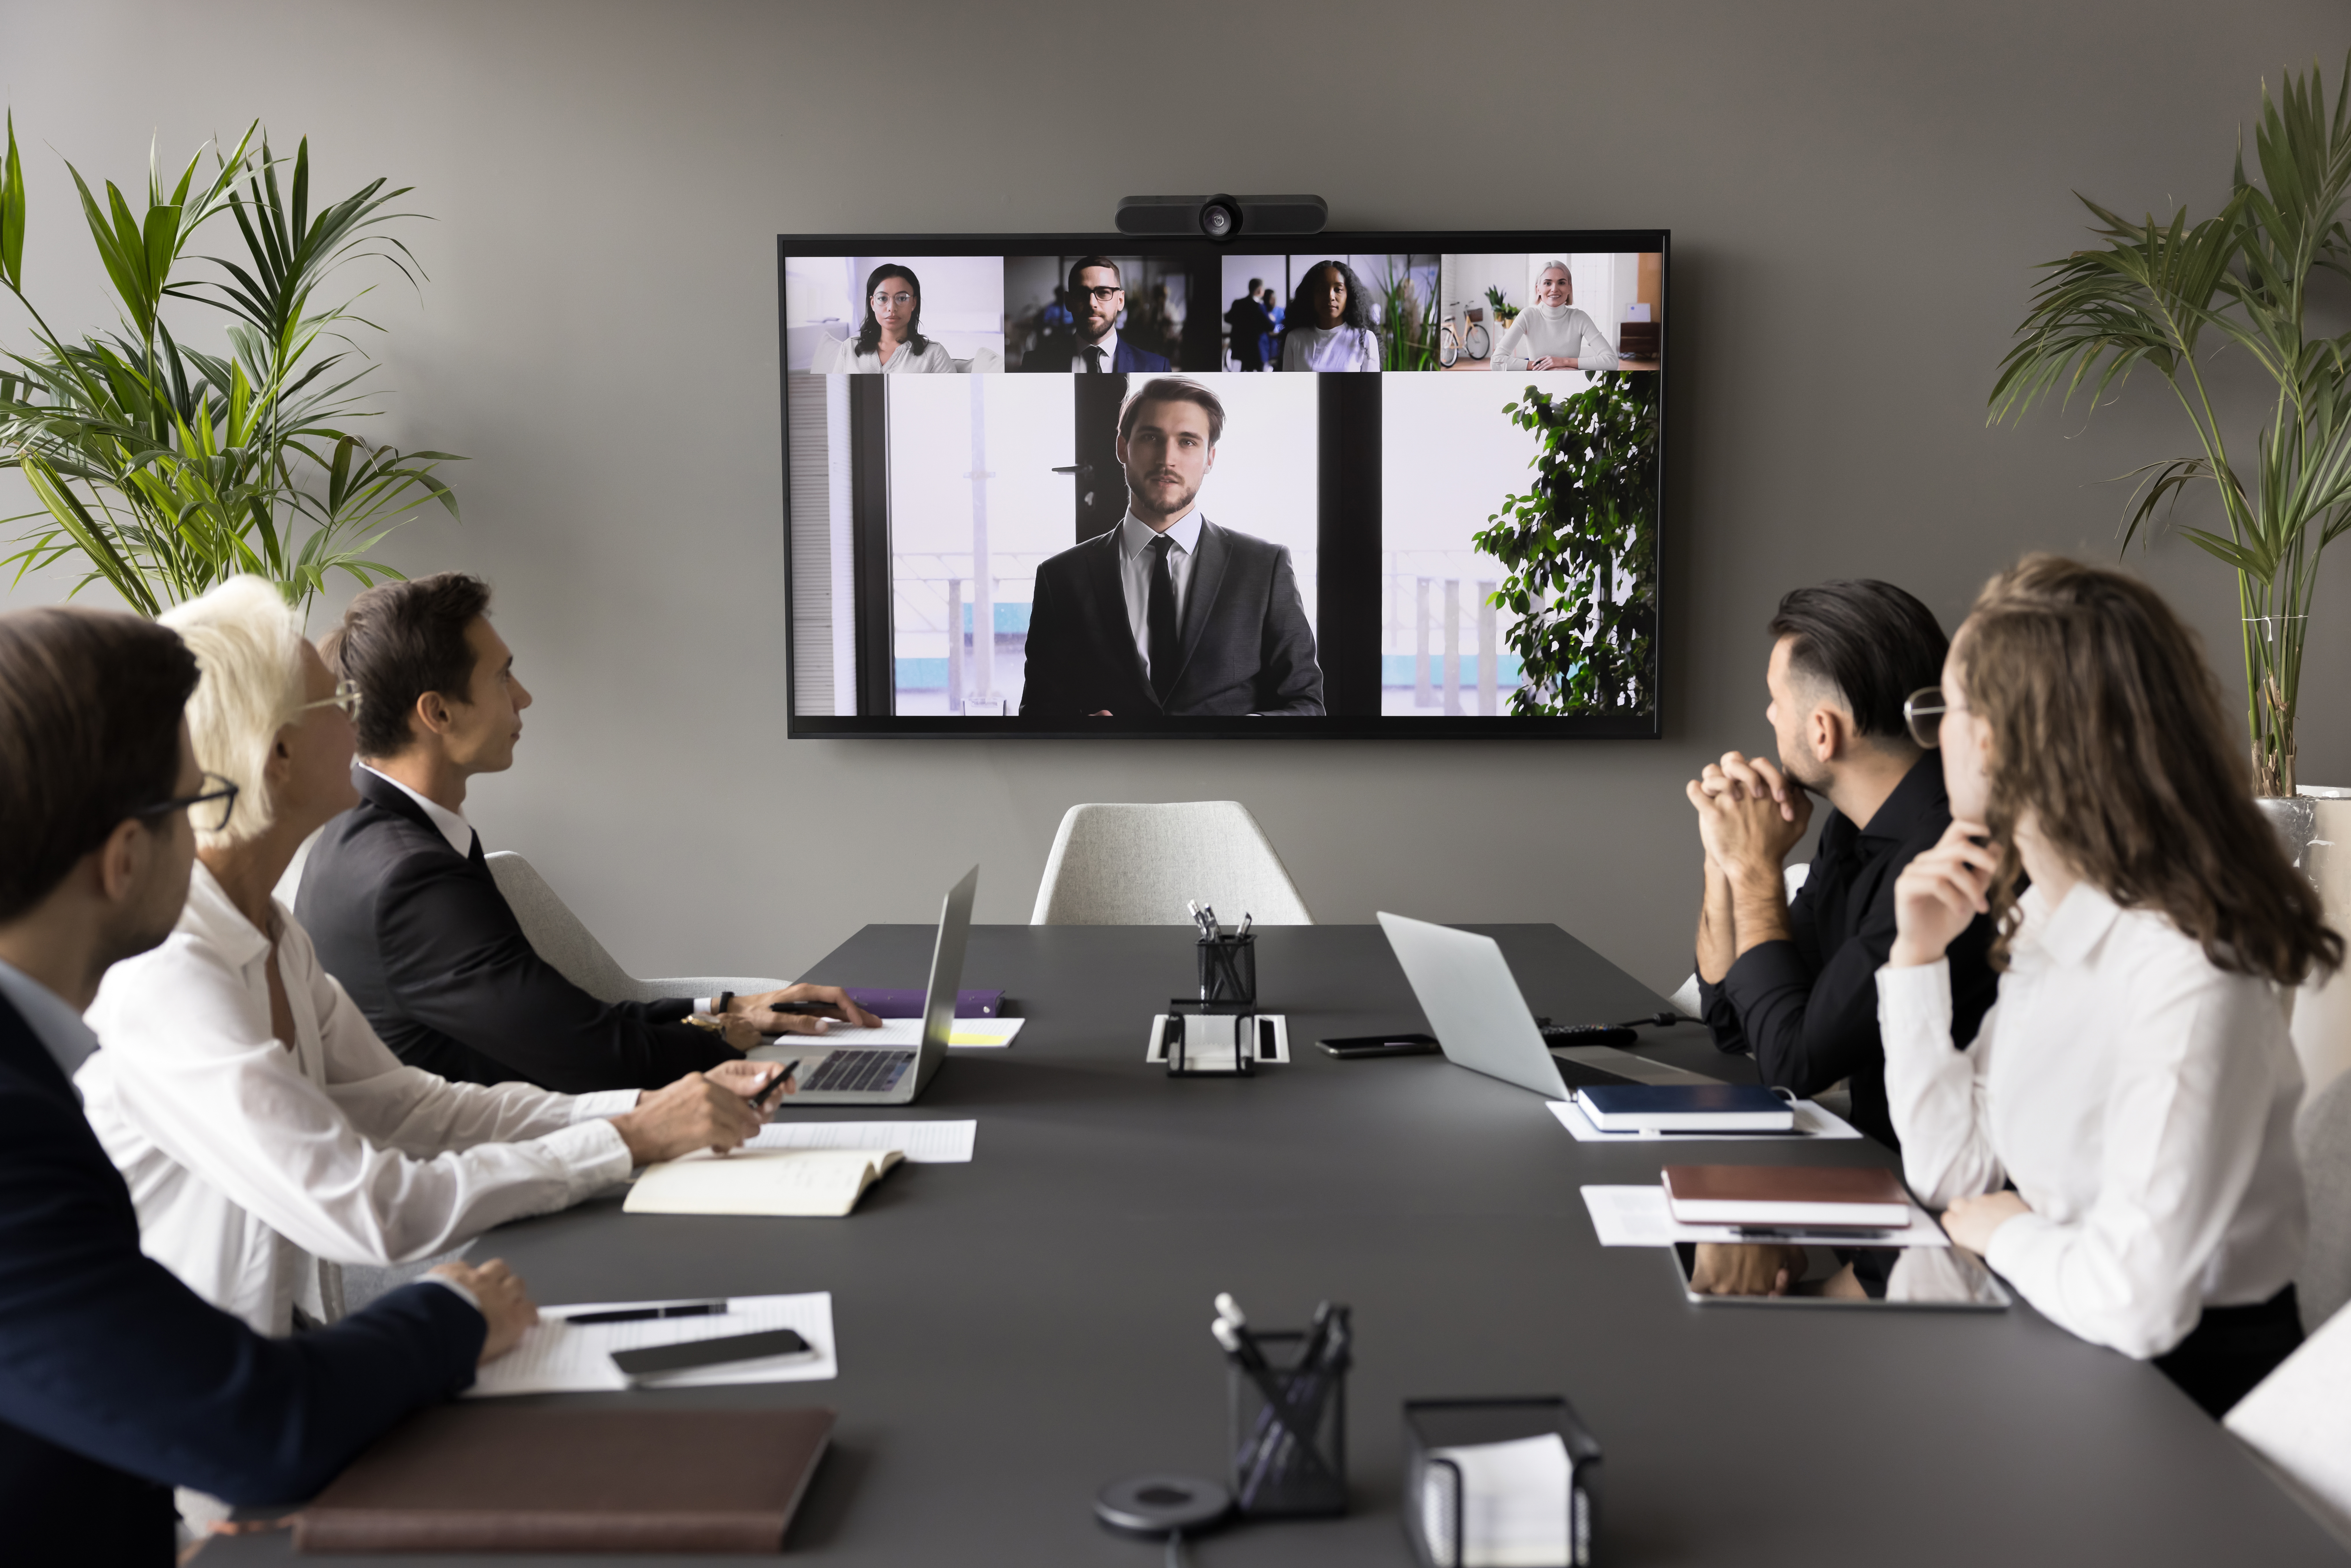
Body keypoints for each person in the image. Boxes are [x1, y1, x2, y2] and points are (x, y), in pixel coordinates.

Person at [82, 577, 782, 1351]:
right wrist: (628, 1140)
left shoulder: (269, 933)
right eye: (337, 705)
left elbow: (415, 1109)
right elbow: (367, 1206)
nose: (362, 724)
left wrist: (637, 1114)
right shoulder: (171, 976)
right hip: (201, 1385)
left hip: (280, 1349)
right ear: (274, 753)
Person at [0, 603, 537, 1562]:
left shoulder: (38, 1068)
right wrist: (452, 1312)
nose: (214, 831)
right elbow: (254, 1424)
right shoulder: (17, 1129)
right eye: (195, 801)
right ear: (125, 859)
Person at [1883, 554, 2333, 1416]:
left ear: (1995, 737)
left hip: (2184, 1406)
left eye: (1944, 709)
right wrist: (1915, 957)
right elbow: (1952, 1172)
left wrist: (2007, 1230)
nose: (1933, 736)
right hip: (2062, 1341)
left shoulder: (2188, 966)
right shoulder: (2053, 920)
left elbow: (2137, 1302)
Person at [298, 573, 880, 1093]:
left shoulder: (368, 833)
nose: (524, 696)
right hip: (500, 1155)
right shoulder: (412, 879)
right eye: (502, 677)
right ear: (438, 713)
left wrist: (729, 1009)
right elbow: (596, 1057)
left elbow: (564, 1026)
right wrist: (728, 1036)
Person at [1689, 581, 2000, 1155]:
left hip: (1934, 1180)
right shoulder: (1850, 831)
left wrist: (1755, 868)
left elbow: (1791, 1067)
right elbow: (1733, 1020)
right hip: (1880, 1158)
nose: (1768, 714)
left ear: (1821, 732)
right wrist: (1724, 853)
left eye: (1775, 700)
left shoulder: (1944, 861)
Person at [1021, 377, 1322, 717]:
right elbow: (1037, 712)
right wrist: (1080, 731)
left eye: (1187, 442)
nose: (1167, 458)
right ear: (1122, 447)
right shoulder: (1061, 577)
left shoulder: (1264, 568)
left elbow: (1305, 705)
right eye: (1151, 437)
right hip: (1112, 757)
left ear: (1210, 458)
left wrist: (1238, 736)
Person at [1016, 256, 1171, 373]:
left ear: (1121, 300)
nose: (1092, 303)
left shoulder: (1157, 368)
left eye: (1103, 293)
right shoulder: (1035, 364)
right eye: (1081, 294)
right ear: (1069, 302)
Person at [811, 263, 958, 373]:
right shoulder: (849, 348)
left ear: (914, 303)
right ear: (873, 303)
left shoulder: (934, 354)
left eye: (902, 298)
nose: (892, 308)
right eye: (883, 298)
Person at [1491, 260, 1618, 373]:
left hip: (1571, 384)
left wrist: (1563, 362)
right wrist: (1542, 366)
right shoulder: (1528, 316)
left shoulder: (1580, 318)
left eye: (1561, 283)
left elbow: (1611, 361)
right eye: (1548, 283)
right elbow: (1497, 361)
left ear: (1570, 288)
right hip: (1537, 385)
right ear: (1538, 289)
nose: (1554, 289)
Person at [1277, 259, 1380, 372]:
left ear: (1349, 295)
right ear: (1311, 295)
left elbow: (1371, 384)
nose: (1330, 296)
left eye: (1338, 289)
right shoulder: (1295, 339)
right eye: (1322, 289)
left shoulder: (1365, 339)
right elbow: (1290, 383)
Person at [1226, 278, 1272, 371]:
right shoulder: (1260, 307)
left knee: (1245, 374)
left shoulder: (1238, 304)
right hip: (1258, 350)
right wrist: (1272, 318)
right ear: (1260, 290)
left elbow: (1228, 318)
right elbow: (1271, 326)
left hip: (1242, 349)